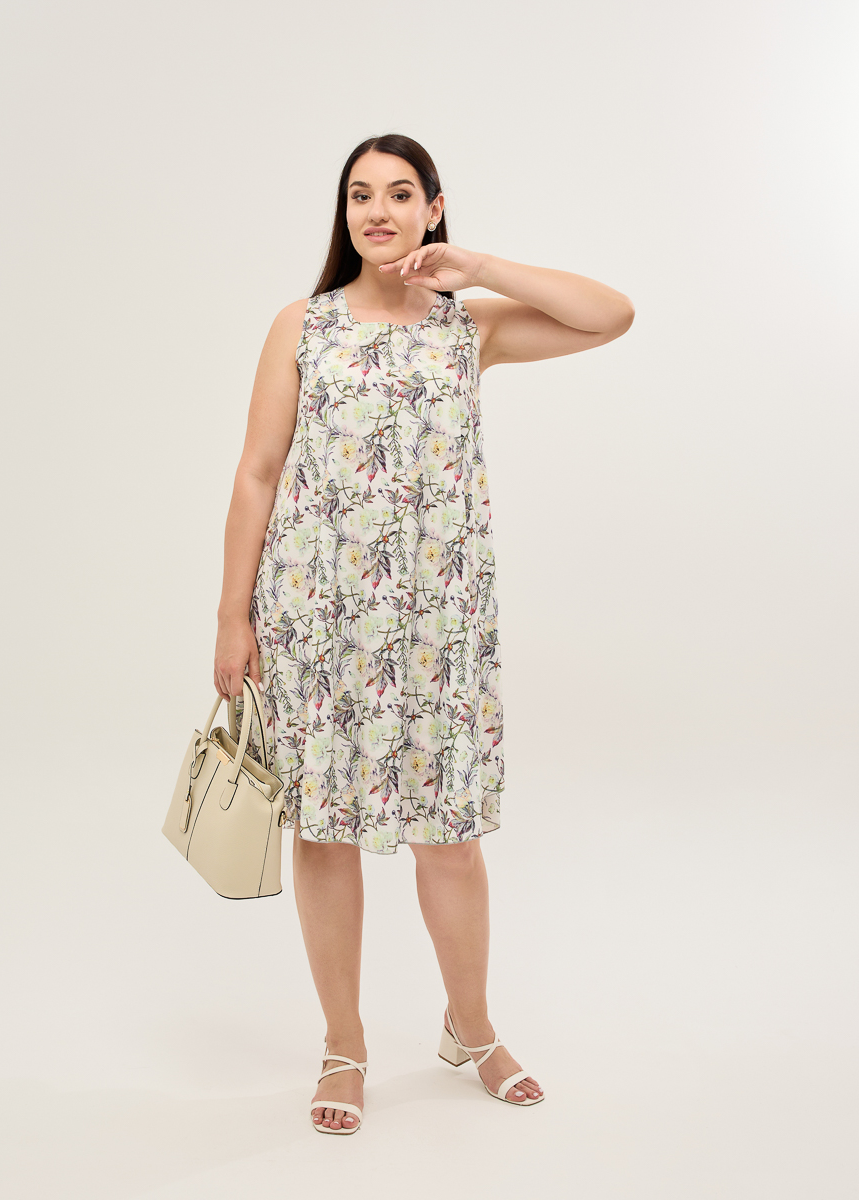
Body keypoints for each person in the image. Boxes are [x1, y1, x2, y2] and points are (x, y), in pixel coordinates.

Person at [213, 133, 634, 1134]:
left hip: (438, 627)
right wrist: (232, 615)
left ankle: (471, 1028)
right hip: (317, 619)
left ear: (433, 208)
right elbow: (258, 472)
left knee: (450, 842)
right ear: (344, 213)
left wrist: (476, 267)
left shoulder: (466, 326)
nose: (379, 211)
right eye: (361, 195)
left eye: (401, 194)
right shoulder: (303, 325)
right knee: (325, 835)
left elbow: (611, 315)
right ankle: (344, 1044)